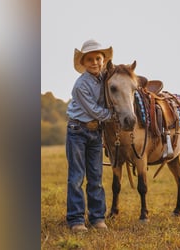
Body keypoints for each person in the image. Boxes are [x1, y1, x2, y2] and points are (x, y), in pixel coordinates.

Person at [65, 39, 113, 232]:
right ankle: (76, 220)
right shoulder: (80, 85)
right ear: (83, 63)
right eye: (90, 59)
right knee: (77, 176)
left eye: (98, 58)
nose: (95, 62)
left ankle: (97, 218)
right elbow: (95, 111)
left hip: (95, 133)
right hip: (77, 131)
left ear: (104, 60)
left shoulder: (105, 78)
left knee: (96, 177)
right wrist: (115, 116)